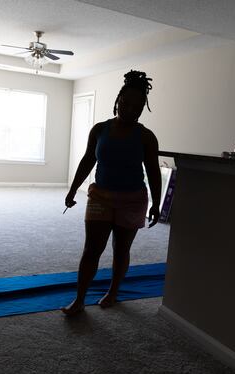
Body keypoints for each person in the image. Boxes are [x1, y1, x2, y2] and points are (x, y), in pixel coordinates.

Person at [62, 70, 162, 316]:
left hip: (132, 201)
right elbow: (87, 161)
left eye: (138, 106)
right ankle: (80, 299)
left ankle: (113, 292)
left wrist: (156, 204)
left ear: (142, 109)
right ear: (118, 101)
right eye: (126, 103)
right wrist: (73, 189)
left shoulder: (147, 137)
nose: (131, 109)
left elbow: (153, 172)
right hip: (100, 198)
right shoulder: (99, 130)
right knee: (91, 250)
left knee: (121, 250)